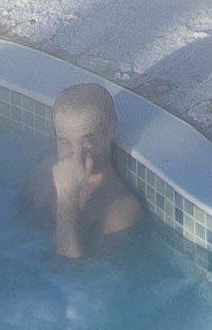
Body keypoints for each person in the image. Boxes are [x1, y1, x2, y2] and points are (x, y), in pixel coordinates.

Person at [32, 81, 142, 263]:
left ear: (111, 130)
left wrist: (67, 198)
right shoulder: (46, 169)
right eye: (65, 142)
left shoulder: (121, 208)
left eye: (87, 140)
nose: (76, 154)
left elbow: (76, 274)